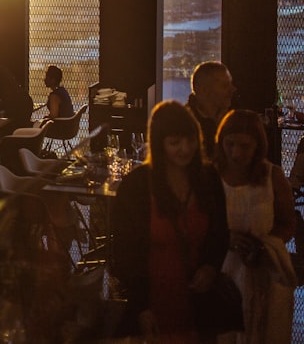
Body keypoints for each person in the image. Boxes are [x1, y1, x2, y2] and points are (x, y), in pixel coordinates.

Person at [111, 100, 230, 342]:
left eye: (190, 141)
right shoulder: (137, 186)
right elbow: (125, 252)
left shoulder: (208, 178)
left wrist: (210, 266)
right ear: (159, 143)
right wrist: (141, 305)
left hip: (200, 299)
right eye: (175, 143)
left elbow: (220, 233)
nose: (185, 149)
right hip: (153, 296)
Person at [214, 109, 296, 344]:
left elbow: (287, 223)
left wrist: (263, 246)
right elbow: (198, 223)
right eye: (230, 144)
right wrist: (225, 239)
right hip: (223, 269)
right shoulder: (212, 175)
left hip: (263, 270)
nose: (236, 153)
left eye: (244, 146)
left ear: (257, 146)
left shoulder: (273, 176)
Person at [187, 61, 235, 156]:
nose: (232, 90)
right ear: (203, 89)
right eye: (225, 85)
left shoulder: (232, 120)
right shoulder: (184, 123)